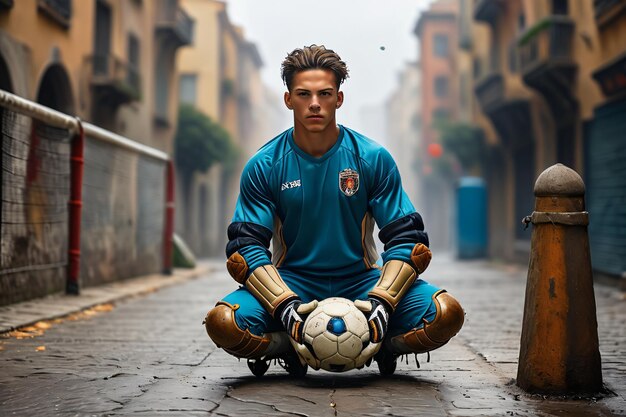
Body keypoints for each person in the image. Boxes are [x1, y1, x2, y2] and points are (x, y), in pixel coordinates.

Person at [204, 45, 464, 377]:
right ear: (288, 100)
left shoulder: (372, 158)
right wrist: (284, 307)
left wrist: (383, 302)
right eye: (303, 94)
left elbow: (407, 237)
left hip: (364, 282)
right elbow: (246, 247)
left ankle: (382, 344)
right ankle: (288, 346)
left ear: (338, 99)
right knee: (223, 323)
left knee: (446, 313)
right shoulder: (264, 165)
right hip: (291, 283)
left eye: (325, 93)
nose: (314, 103)